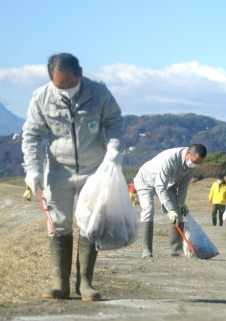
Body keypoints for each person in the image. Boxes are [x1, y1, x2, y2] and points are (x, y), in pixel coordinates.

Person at [22, 53, 124, 301]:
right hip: (57, 170)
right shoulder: (41, 97)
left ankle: (86, 284)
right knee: (58, 223)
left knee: (90, 223)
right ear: (51, 80)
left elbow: (114, 122)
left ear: (80, 74)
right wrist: (32, 169)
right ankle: (60, 284)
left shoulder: (98, 92)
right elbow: (32, 135)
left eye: (70, 84)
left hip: (94, 169)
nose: (66, 89)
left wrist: (114, 149)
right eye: (60, 85)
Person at [134, 144, 207, 259]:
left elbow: (184, 185)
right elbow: (160, 187)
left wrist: (181, 203)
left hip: (167, 185)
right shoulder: (170, 159)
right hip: (146, 181)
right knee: (148, 209)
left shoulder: (192, 164)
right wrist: (170, 210)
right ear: (188, 154)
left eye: (198, 163)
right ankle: (146, 250)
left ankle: (176, 251)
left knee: (178, 214)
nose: (195, 165)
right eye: (194, 161)